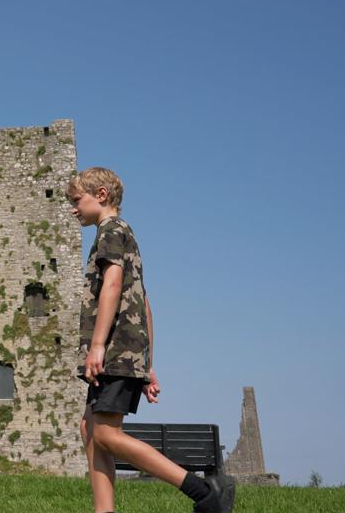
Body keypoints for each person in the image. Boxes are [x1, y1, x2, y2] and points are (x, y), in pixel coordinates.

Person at [67, 168, 235, 513]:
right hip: (126, 353)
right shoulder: (123, 234)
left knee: (106, 435)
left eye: (76, 201)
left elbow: (113, 287)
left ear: (100, 195)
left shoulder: (110, 232)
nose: (73, 209)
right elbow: (143, 303)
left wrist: (98, 346)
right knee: (90, 427)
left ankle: (204, 492)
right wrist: (147, 364)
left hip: (113, 350)